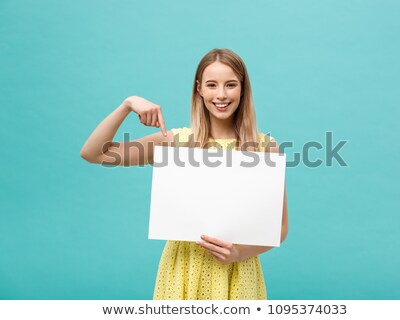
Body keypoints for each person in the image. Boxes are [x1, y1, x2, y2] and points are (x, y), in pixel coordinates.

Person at [80, 48, 288, 300]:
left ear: (243, 89)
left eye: (231, 85)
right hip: (183, 270)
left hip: (238, 272)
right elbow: (94, 153)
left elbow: (279, 227)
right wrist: (128, 104)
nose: (221, 94)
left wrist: (239, 253)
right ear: (199, 89)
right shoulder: (175, 143)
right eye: (212, 85)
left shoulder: (265, 147)